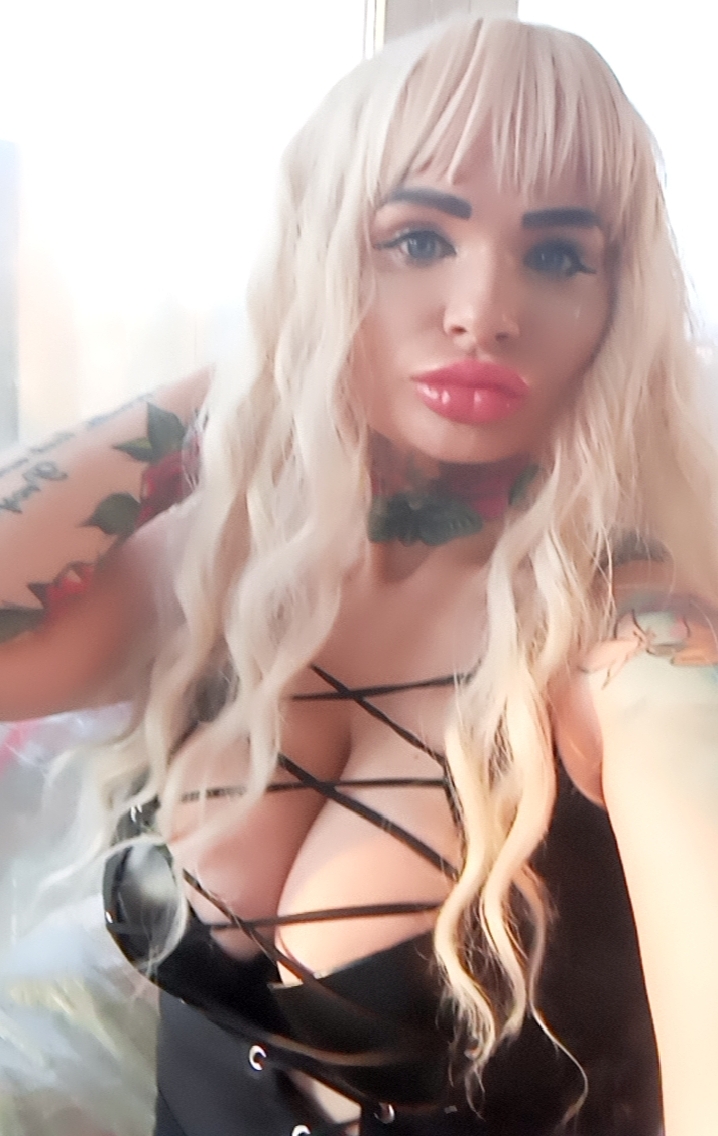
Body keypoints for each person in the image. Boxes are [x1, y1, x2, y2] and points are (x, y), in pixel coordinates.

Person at [0, 13, 717, 1136]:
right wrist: (260, 368)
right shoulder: (236, 577)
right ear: (323, 259)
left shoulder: (630, 645)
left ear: (613, 306)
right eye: (418, 240)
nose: (484, 310)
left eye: (555, 256)